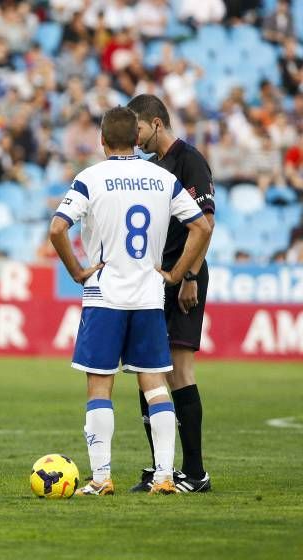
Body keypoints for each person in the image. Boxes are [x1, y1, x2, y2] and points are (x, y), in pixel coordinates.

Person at [49, 106, 212, 496]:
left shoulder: (90, 178)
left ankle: (102, 477)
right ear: (137, 141)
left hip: (104, 295)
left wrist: (76, 271)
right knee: (156, 384)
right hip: (148, 296)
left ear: (102, 142)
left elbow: (57, 229)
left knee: (99, 386)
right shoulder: (162, 178)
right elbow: (201, 226)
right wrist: (176, 274)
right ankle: (165, 476)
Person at [127, 94, 217, 493]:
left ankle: (195, 474)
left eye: (139, 130)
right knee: (148, 374)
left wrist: (190, 276)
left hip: (183, 278)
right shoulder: (151, 169)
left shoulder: (189, 160)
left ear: (156, 124)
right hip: (155, 281)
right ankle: (160, 468)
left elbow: (206, 222)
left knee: (179, 371)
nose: (135, 138)